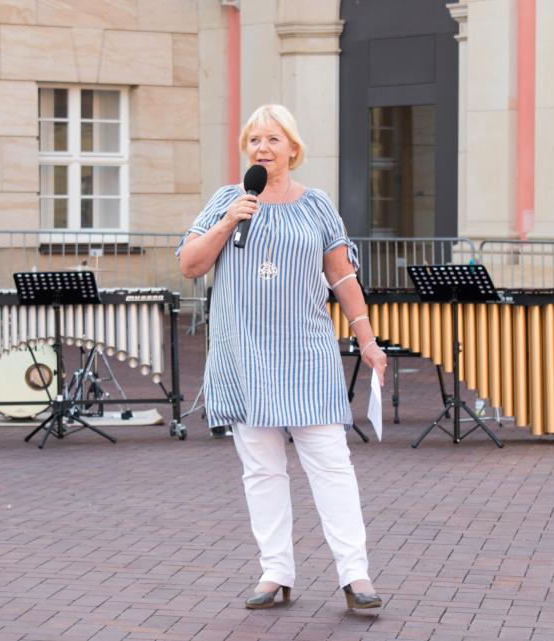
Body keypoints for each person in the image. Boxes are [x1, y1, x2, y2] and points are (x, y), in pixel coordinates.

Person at [176, 104, 386, 610]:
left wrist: (366, 337)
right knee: (262, 469)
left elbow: (341, 275)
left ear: (293, 148)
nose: (262, 149)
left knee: (331, 464)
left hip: (305, 352)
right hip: (244, 353)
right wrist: (228, 221)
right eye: (254, 140)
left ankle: (355, 575)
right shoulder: (228, 200)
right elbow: (189, 265)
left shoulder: (316, 206)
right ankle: (276, 572)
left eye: (273, 140)